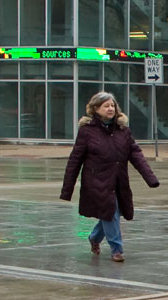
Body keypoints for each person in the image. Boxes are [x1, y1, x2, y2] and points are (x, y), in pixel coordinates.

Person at [60, 91, 159, 262]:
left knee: (111, 213)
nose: (110, 108)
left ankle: (94, 237)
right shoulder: (87, 131)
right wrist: (67, 189)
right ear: (96, 109)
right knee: (111, 211)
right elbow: (75, 160)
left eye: (112, 105)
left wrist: (150, 178)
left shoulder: (123, 131)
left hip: (118, 180)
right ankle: (117, 249)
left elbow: (136, 154)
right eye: (106, 105)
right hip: (96, 181)